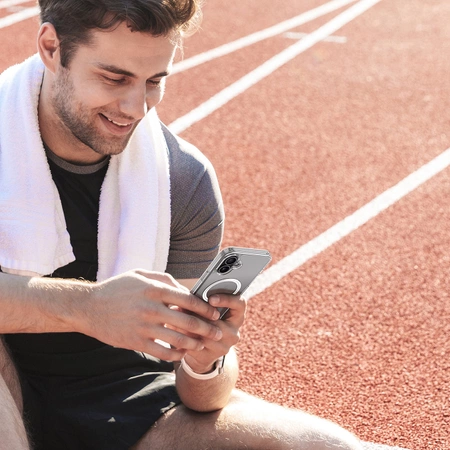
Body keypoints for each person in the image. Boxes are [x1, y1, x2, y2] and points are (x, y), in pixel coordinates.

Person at [0, 1, 363, 449]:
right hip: (7, 390)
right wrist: (89, 307)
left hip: (126, 403)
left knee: (328, 447)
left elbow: (203, 397)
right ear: (51, 48)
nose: (135, 108)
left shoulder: (182, 179)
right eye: (114, 78)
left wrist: (206, 358)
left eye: (154, 82)